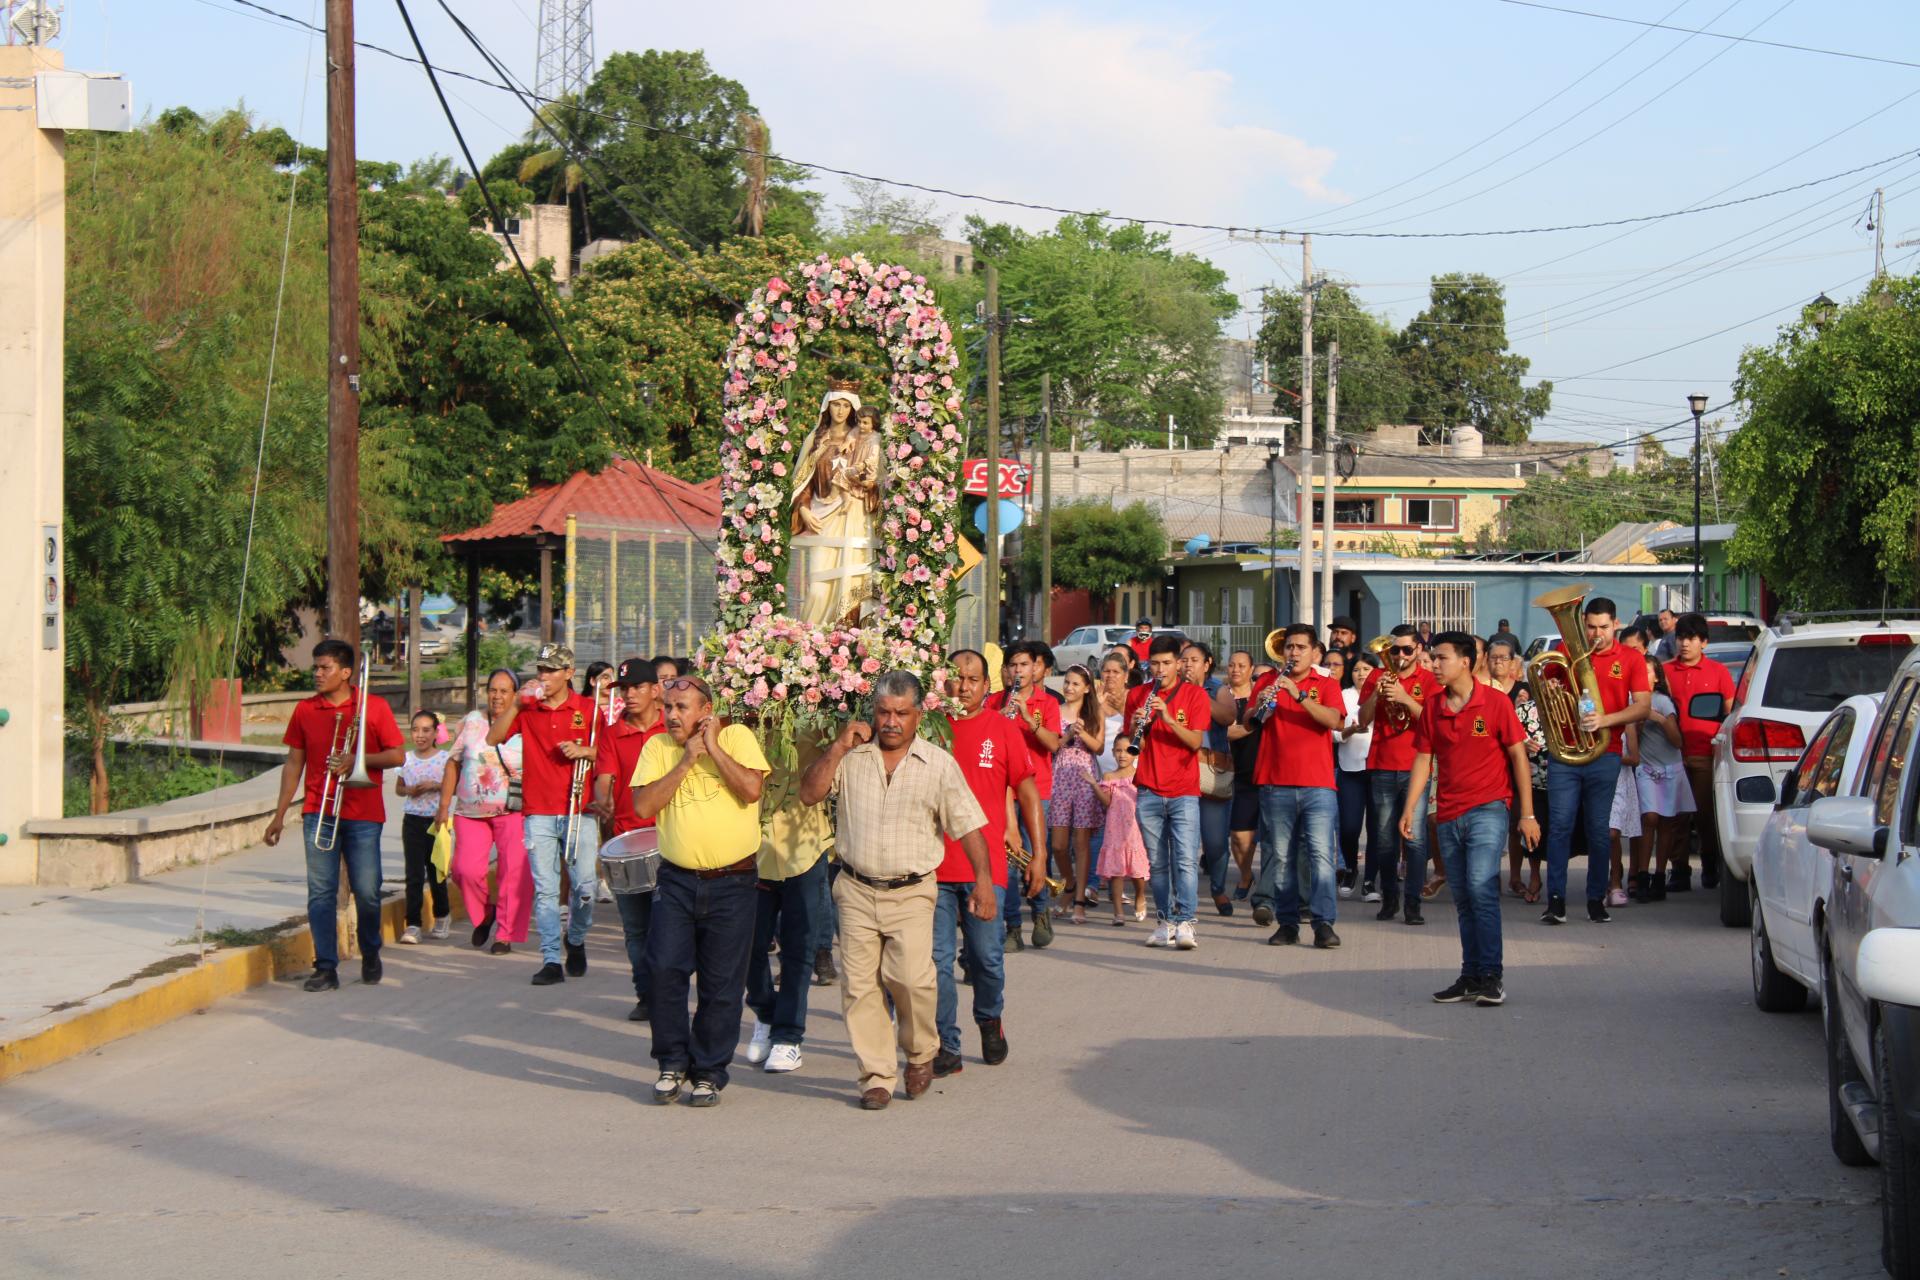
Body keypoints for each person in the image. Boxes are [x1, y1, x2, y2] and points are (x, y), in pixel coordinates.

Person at [799, 671, 992, 1111]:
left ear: (918, 716)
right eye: (884, 712)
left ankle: (921, 1052)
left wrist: (983, 882)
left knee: (911, 979)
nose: (891, 722)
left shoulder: (938, 764)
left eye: (901, 714)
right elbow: (810, 794)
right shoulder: (851, 757)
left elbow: (969, 825)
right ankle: (877, 1075)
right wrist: (836, 747)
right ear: (873, 711)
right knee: (860, 987)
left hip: (912, 891)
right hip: (855, 889)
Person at [631, 674, 770, 1107]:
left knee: (722, 983)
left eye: (682, 707)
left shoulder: (738, 736)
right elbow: (643, 806)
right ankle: (671, 1062)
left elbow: (751, 789)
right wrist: (687, 760)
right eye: (668, 707)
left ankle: (708, 1071)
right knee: (663, 970)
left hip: (734, 882)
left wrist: (714, 749)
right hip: (676, 880)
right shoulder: (658, 748)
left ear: (705, 711)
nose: (671, 715)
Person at [1404, 632, 1539, 1007]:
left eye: (1440, 658)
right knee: (1463, 897)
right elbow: (1422, 759)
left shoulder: (1495, 703)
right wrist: (1409, 808)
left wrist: (1527, 814)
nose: (1433, 665)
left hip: (1488, 808)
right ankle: (1471, 975)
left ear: (1465, 661)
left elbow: (1518, 758)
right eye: (1432, 658)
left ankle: (1492, 976)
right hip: (1448, 813)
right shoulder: (1433, 707)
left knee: (1481, 887)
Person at [263, 638, 406, 991]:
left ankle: (370, 950)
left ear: (345, 672)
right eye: (315, 667)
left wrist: (357, 761)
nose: (317, 673)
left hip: (364, 812)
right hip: (319, 810)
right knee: (321, 892)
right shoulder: (305, 710)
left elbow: (398, 756)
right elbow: (293, 764)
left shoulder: (372, 707)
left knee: (368, 891)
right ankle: (326, 966)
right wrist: (279, 815)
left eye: (325, 667)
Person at [935, 651, 1043, 1077]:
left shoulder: (1002, 729)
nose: (964, 686)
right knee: (936, 962)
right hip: (934, 870)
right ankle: (947, 1043)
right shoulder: (928, 730)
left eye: (973, 679)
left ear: (987, 685)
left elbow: (1029, 791)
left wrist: (1039, 856)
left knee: (986, 958)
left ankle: (989, 1017)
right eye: (956, 678)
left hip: (986, 870)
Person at [485, 643, 602, 986]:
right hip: (538, 811)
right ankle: (551, 958)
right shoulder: (528, 708)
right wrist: (517, 704)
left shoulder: (588, 709)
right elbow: (494, 737)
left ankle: (576, 938)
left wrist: (585, 750)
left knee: (585, 887)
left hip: (580, 808)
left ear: (568, 673)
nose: (544, 676)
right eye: (541, 669)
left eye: (551, 670)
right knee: (546, 889)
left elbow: (607, 753)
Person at [1539, 596, 1652, 925]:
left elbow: (1643, 706)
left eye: (1603, 627)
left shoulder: (1629, 658)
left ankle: (1594, 898)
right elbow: (1546, 693)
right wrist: (1549, 692)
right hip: (1566, 753)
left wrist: (1605, 720)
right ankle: (1556, 900)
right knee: (1559, 827)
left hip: (1606, 751)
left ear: (1615, 624)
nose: (1596, 634)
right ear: (1583, 624)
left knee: (1599, 831)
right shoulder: (1564, 651)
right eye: (1590, 627)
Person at [744, 688, 836, 1076]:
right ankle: (765, 1012)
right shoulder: (741, 717)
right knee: (748, 946)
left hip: (806, 846)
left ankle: (788, 1037)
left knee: (799, 950)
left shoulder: (818, 712)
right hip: (752, 847)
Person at [1246, 624, 1347, 948]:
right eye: (1289, 647)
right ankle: (1287, 924)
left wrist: (1299, 695)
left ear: (1314, 651)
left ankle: (1323, 924)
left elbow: (1334, 721)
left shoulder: (1326, 683)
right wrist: (1261, 702)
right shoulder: (1266, 681)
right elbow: (1248, 721)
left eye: (1300, 647)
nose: (1293, 653)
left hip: (1317, 784)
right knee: (1281, 858)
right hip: (1276, 783)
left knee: (1320, 857)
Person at [591, 657, 667, 1022]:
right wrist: (602, 798)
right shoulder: (611, 733)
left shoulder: (673, 728)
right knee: (636, 928)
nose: (630, 695)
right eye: (624, 689)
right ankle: (646, 995)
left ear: (656, 690)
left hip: (671, 840)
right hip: (627, 840)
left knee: (667, 927)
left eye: (637, 687)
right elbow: (604, 778)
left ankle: (669, 990)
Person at [1124, 635, 1211, 950]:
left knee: (1186, 861)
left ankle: (1186, 921)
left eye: (1166, 663)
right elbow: (1135, 747)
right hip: (1148, 788)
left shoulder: (1195, 695)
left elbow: (1195, 742)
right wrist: (1140, 725)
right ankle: (1164, 922)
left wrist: (1168, 719)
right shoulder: (1137, 694)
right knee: (1157, 864)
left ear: (1178, 663)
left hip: (1184, 790)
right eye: (1154, 664)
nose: (1159, 669)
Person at [438, 669, 532, 955]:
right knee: (464, 870)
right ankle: (484, 915)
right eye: (493, 689)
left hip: (512, 810)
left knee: (514, 874)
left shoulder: (526, 723)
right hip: (469, 811)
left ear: (515, 695)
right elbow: (453, 763)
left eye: (505, 691)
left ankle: (505, 933)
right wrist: (444, 806)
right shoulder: (471, 721)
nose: (497, 696)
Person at [1356, 625, 1437, 925]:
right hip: (1382, 766)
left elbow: (1432, 723)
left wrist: (1404, 698)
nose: (1400, 656)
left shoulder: (1428, 680)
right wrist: (1377, 696)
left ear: (1418, 649)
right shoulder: (1377, 677)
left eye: (1406, 649)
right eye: (1394, 650)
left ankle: (1413, 903)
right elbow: (1362, 721)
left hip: (1416, 767)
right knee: (1384, 840)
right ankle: (1390, 897)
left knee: (1414, 840)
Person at [987, 641, 1062, 949]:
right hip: (1001, 791)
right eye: (1013, 666)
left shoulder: (1047, 703)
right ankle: (1012, 927)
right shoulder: (993, 702)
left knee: (1034, 855)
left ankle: (1041, 910)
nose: (1018, 671)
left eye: (1024, 665)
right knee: (1006, 861)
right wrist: (999, 722)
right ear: (1006, 670)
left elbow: (1054, 745)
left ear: (1035, 669)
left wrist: (1030, 723)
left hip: (1037, 789)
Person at [1663, 611, 1734, 892]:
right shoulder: (1665, 671)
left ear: (1704, 642)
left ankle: (1710, 864)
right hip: (1671, 756)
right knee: (1676, 816)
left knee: (1706, 815)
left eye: (1691, 638)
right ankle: (1678, 869)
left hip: (1706, 754)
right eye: (1681, 637)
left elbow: (1729, 712)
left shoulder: (1718, 672)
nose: (1685, 644)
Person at [1489, 640, 1547, 904]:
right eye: (1493, 658)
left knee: (1522, 823)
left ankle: (1524, 875)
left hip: (1528, 769)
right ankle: (1501, 877)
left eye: (1504, 658)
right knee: (1500, 826)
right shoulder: (1482, 691)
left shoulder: (1523, 692)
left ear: (1514, 662)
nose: (1498, 662)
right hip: (1496, 766)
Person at [1635, 655, 1696, 900]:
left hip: (1670, 768)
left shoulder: (1663, 702)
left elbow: (1678, 741)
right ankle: (1641, 875)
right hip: (1645, 768)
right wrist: (1638, 721)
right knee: (1649, 818)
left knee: (1667, 822)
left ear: (1657, 677)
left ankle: (1659, 875)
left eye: (1647, 673)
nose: (1643, 678)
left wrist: (1657, 718)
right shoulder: (1632, 700)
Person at [1050, 663, 1107, 923]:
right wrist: (1066, 734)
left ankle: (1079, 902)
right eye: (1067, 682)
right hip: (1059, 777)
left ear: (1086, 688)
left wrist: (1083, 732)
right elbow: (1052, 746)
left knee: (1081, 843)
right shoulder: (1055, 710)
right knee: (1059, 844)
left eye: (1075, 684)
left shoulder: (1094, 713)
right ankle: (1069, 883)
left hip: (1084, 778)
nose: (1069, 688)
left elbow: (1100, 747)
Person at [1183, 642, 1236, 917]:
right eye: (1185, 659)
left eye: (1194, 659)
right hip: (1181, 770)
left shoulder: (1218, 689)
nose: (1188, 664)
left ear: (1207, 663)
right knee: (1184, 841)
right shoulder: (1173, 689)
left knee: (1215, 842)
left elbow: (1228, 716)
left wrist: (1199, 694)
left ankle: (1217, 888)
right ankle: (1185, 896)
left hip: (1212, 771)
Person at [395, 710, 450, 945]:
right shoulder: (406, 758)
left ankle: (442, 915)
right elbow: (399, 788)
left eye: (426, 730)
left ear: (436, 733)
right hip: (412, 820)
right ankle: (413, 924)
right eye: (416, 730)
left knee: (436, 872)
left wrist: (436, 786)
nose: (420, 735)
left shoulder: (445, 759)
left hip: (436, 822)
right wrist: (411, 790)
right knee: (414, 874)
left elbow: (453, 787)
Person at [1217, 648, 1265, 903]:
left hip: (1260, 771)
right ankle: (1246, 875)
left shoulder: (1260, 698)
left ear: (1251, 669)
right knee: (1238, 836)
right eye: (1232, 665)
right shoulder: (1221, 697)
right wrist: (1248, 727)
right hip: (1228, 773)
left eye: (1241, 665)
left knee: (1267, 838)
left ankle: (1268, 887)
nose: (1235, 669)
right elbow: (1223, 733)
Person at [1336, 650, 1375, 903]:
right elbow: (1333, 733)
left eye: (1367, 669)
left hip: (1378, 769)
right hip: (1349, 769)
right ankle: (1351, 868)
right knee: (1350, 827)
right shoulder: (1344, 696)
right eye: (1357, 669)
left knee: (1377, 828)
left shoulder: (1385, 693)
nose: (1361, 674)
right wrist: (1350, 729)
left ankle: (1371, 879)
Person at [1093, 742, 1148, 923]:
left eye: (1127, 751)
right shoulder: (1109, 776)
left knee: (1137, 872)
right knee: (1116, 871)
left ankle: (1140, 896)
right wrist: (1095, 785)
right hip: (1114, 829)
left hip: (1135, 829)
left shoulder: (1141, 774)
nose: (1122, 755)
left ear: (1136, 753)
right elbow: (1107, 802)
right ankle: (1118, 912)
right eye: (1118, 750)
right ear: (1112, 752)